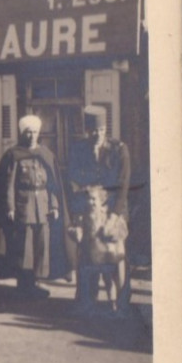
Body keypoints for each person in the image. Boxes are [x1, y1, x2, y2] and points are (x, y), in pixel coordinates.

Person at [0, 114, 72, 298]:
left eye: (35, 132)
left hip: (42, 208)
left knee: (41, 245)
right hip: (23, 206)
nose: (32, 135)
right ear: (22, 133)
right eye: (28, 132)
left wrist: (55, 206)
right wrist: (10, 207)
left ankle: (34, 282)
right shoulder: (14, 155)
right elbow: (8, 184)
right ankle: (23, 283)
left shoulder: (46, 154)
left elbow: (52, 184)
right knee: (24, 247)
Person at [67, 104, 131, 314]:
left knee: (115, 256)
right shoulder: (79, 149)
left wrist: (114, 217)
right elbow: (73, 183)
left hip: (113, 210)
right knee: (87, 255)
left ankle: (121, 303)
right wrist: (76, 219)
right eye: (93, 131)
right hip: (89, 212)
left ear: (106, 129)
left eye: (101, 131)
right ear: (87, 130)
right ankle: (87, 301)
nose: (97, 135)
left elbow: (122, 185)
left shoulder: (119, 149)